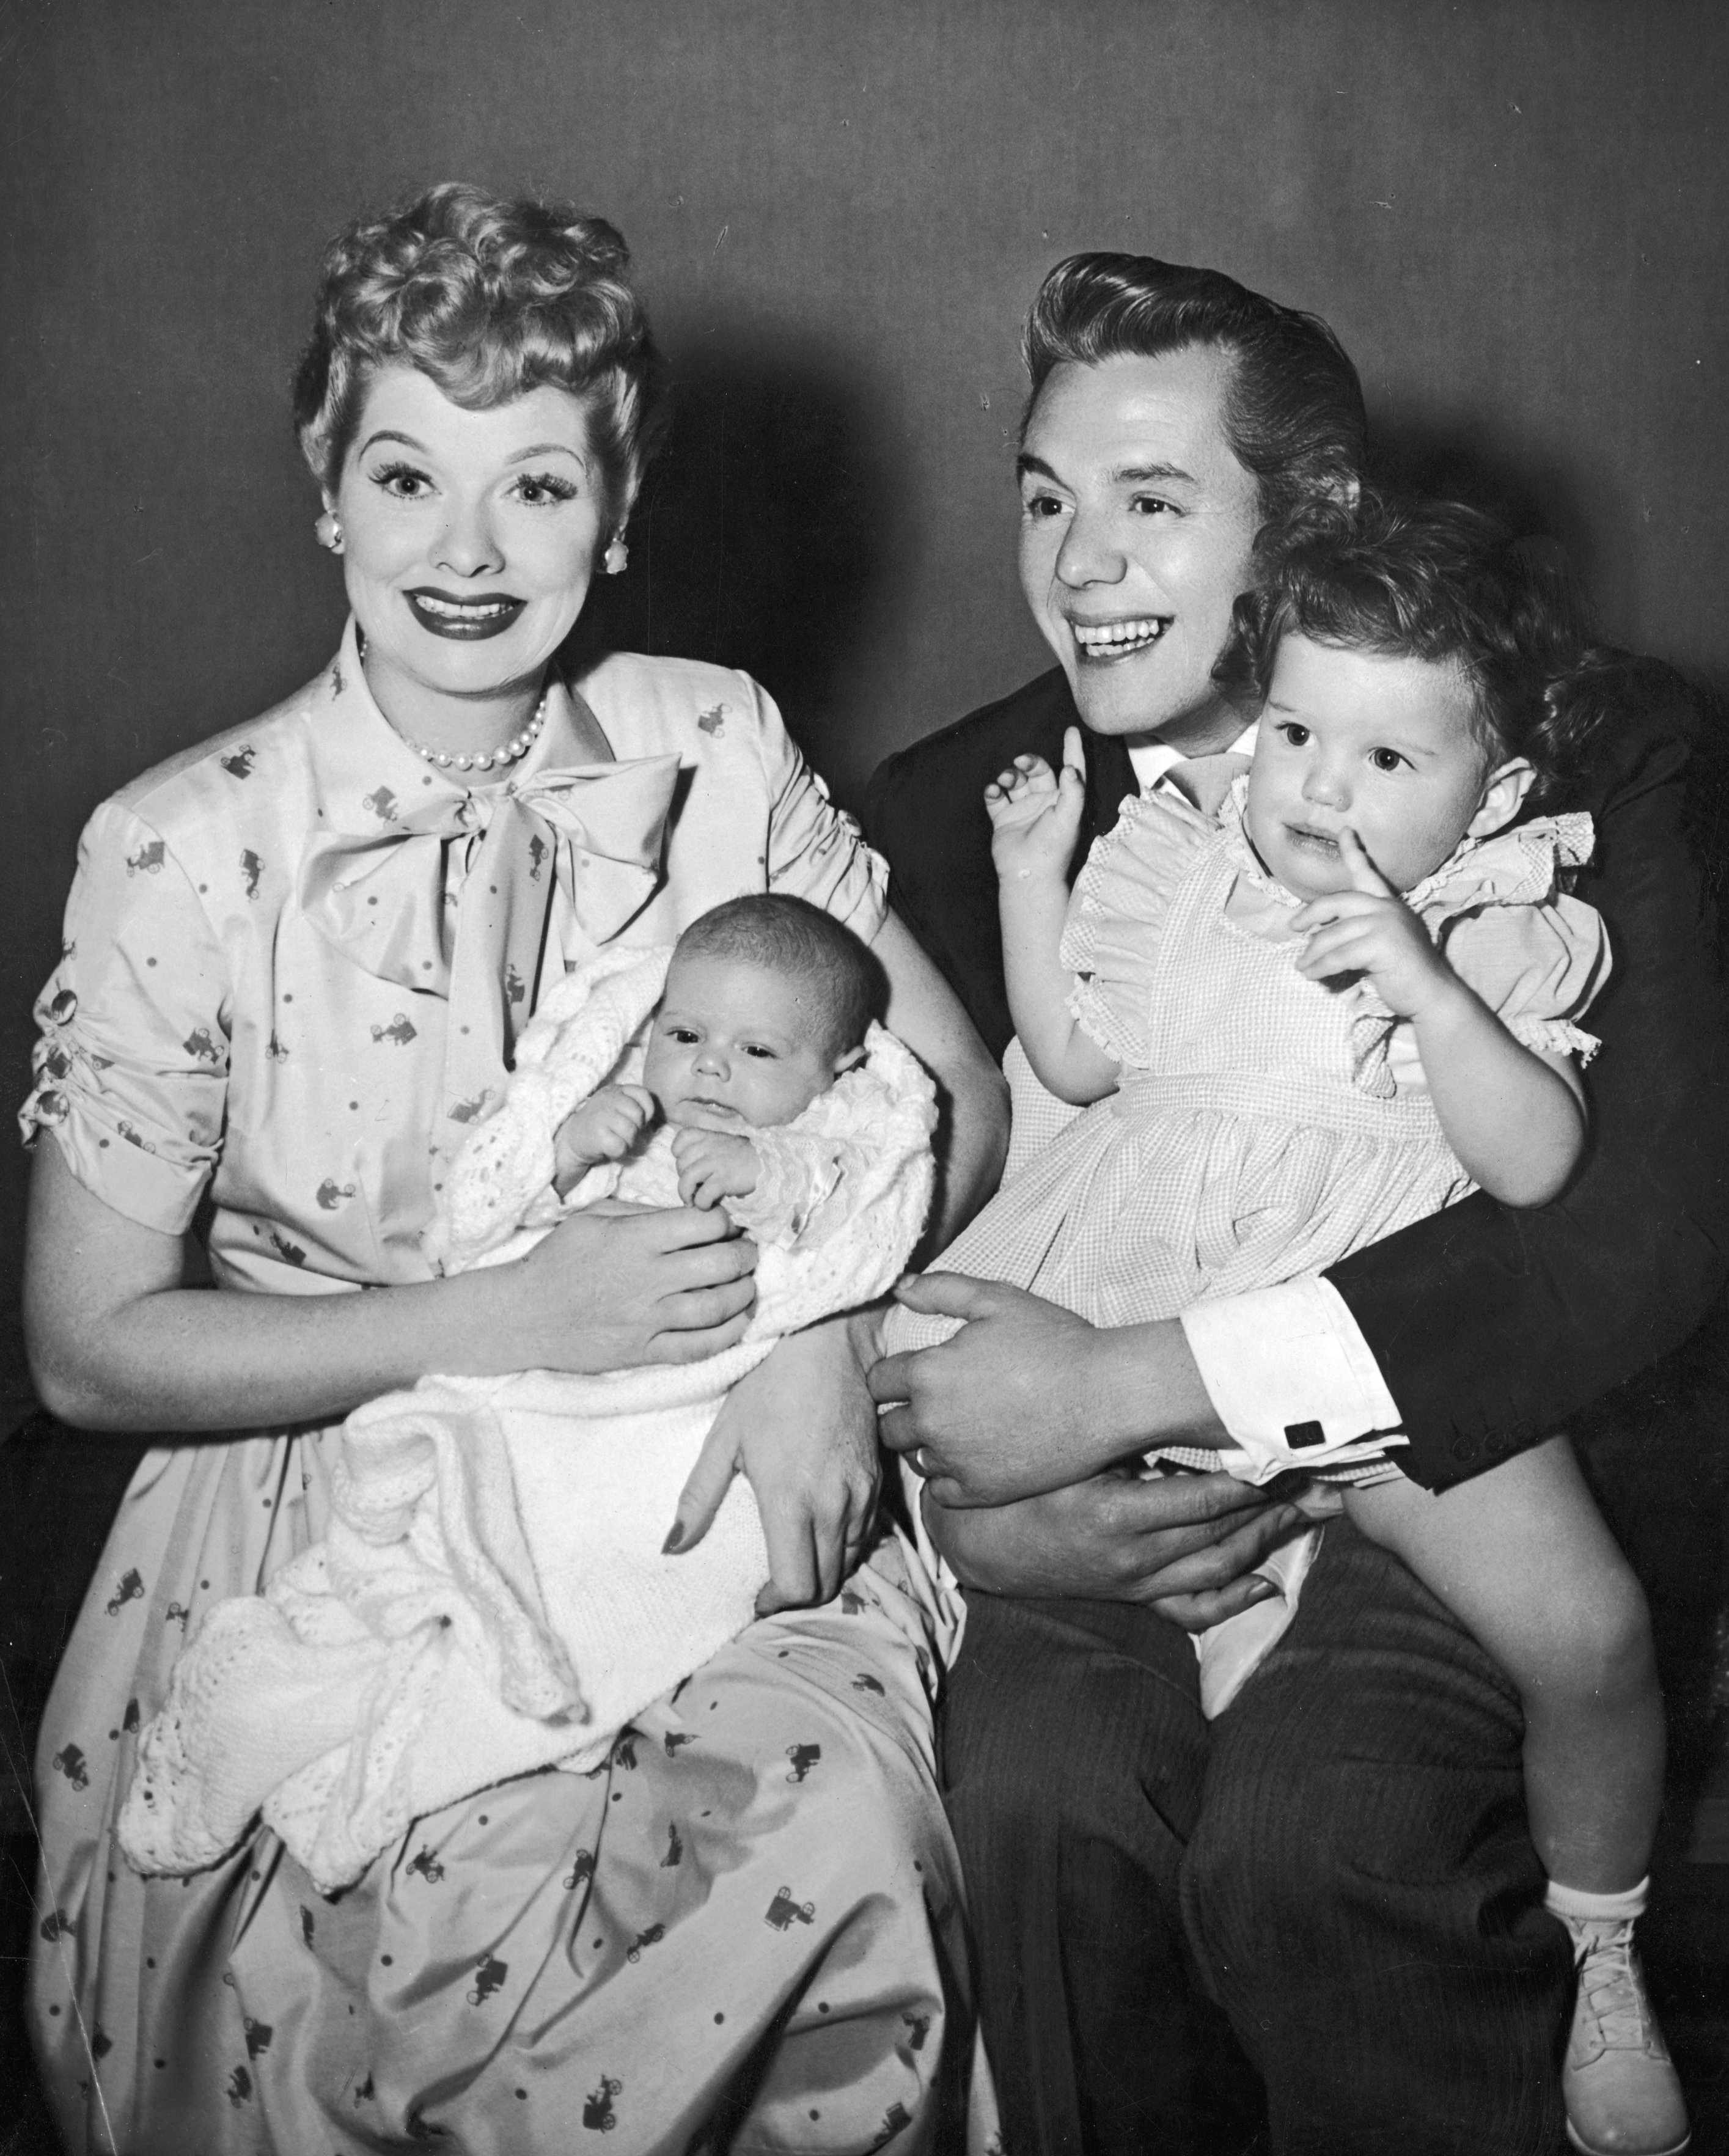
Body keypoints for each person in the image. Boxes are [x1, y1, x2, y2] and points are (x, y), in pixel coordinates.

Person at [22, 183, 1007, 2154]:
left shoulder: (711, 743)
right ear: (328, 489)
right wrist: (493, 1316)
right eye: (408, 475)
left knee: (823, 1827)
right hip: (339, 1498)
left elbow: (955, 1104)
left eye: (539, 488)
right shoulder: (182, 846)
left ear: (618, 511)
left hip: (703, 1452)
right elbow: (86, 1348)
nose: (467, 554)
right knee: (422, 1960)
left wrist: (812, 1333)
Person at [864, 252, 1728, 2155]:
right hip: (1110, 1520)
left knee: (1312, 1836)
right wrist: (969, 1513)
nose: (1076, 565)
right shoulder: (953, 812)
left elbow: (1635, 1234)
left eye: (1150, 504)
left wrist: (1137, 1383)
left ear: (1310, 524)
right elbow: (863, 1233)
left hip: (1464, 1445)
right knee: (1032, 1790)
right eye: (1043, 498)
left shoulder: (1586, 750)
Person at [120, 895, 947, 1896]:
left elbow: (848, 1219)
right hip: (550, 1389)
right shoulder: (638, 1121)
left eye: (758, 1053)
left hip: (684, 1414)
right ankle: (332, 1680)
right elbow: (488, 1224)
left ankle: (462, 1705)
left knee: (638, 1563)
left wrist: (763, 1177)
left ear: (837, 1070)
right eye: (683, 1036)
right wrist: (569, 1153)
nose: (711, 1068)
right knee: (472, 1528)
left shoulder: (827, 1136)